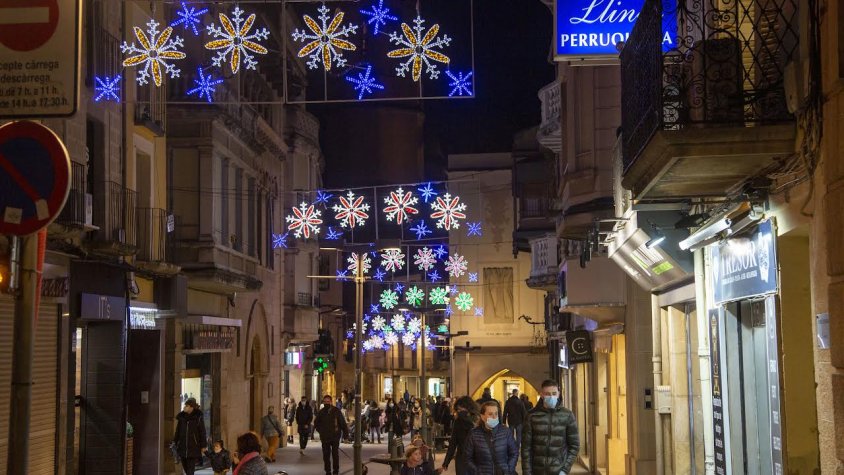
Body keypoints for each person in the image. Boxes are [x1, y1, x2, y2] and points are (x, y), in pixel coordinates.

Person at [521, 380, 579, 475]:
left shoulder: (567, 415)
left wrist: (565, 470)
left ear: (558, 394)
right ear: (542, 395)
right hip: (537, 471)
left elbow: (574, 446)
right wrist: (527, 472)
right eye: (547, 394)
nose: (551, 396)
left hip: (558, 470)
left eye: (554, 393)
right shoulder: (531, 415)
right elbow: (526, 448)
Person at [464, 401, 518, 475]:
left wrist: (509, 469)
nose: (494, 417)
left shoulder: (506, 432)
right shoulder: (473, 434)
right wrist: (476, 472)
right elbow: (467, 458)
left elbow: (514, 453)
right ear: (482, 417)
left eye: (496, 414)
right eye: (490, 414)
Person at [441, 396, 479, 474]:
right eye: (457, 410)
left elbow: (453, 443)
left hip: (469, 457)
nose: (458, 412)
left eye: (460, 409)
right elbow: (453, 443)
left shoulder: (475, 420)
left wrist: (446, 462)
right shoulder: (460, 421)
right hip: (468, 457)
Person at [315, 394, 349, 475]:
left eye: (328, 401)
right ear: (323, 402)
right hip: (325, 437)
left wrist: (346, 436)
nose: (326, 403)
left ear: (331, 402)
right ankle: (328, 471)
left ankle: (336, 471)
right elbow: (316, 424)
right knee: (326, 455)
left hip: (335, 437)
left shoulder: (336, 411)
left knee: (335, 454)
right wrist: (321, 431)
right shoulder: (321, 412)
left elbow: (343, 424)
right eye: (325, 402)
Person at [173, 397, 207, 475]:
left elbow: (202, 432)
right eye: (185, 405)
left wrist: (203, 445)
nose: (185, 407)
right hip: (182, 446)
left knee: (190, 470)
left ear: (191, 407)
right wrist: (174, 441)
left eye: (187, 406)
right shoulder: (181, 417)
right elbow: (178, 431)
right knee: (186, 468)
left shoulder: (198, 417)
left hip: (193, 446)